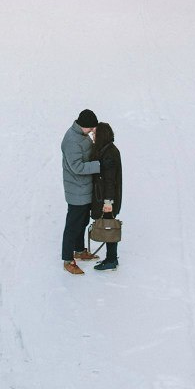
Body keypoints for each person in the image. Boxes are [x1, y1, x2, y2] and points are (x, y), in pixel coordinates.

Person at [61, 108, 102, 275]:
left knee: (83, 222)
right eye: (91, 128)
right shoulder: (71, 140)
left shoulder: (83, 136)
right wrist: (99, 165)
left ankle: (79, 250)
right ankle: (67, 259)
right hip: (76, 190)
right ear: (83, 125)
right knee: (73, 225)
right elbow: (77, 167)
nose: (92, 131)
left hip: (85, 188)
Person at [90, 121, 123, 271]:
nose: (93, 135)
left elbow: (110, 180)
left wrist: (108, 201)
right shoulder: (107, 149)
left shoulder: (109, 153)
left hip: (107, 199)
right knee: (109, 225)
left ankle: (111, 259)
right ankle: (111, 258)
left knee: (109, 226)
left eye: (95, 133)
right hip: (106, 197)